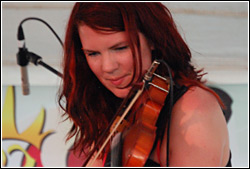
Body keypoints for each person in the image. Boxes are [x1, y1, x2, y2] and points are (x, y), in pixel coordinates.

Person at [58, 2, 231, 167]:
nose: (108, 67)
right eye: (93, 53)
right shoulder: (117, 111)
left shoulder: (194, 109)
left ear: (152, 38)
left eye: (120, 48)